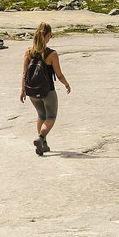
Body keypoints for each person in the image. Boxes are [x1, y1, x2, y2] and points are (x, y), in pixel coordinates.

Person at [19, 22, 71, 156]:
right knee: (51, 117)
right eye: (51, 36)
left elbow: (24, 74)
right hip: (48, 91)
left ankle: (44, 144)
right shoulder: (52, 54)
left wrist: (23, 90)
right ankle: (41, 138)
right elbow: (58, 74)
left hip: (32, 91)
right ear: (47, 35)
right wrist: (66, 84)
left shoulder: (28, 53)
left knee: (41, 115)